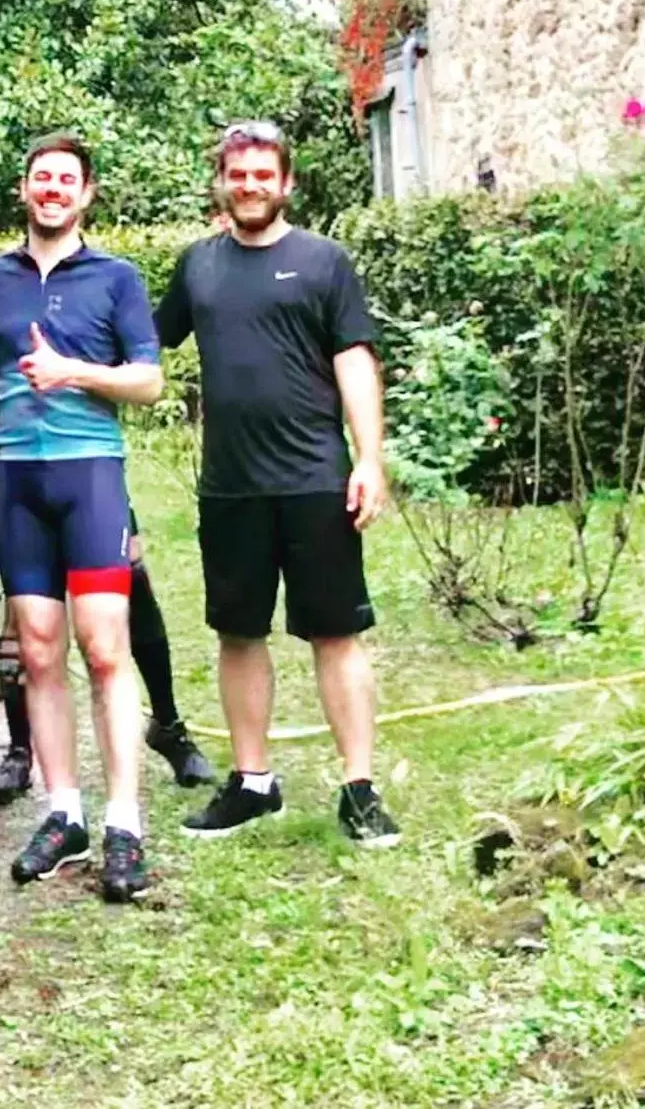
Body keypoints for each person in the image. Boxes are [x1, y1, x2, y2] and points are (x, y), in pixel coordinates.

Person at [0, 136, 166, 902]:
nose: (52, 190)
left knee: (105, 649)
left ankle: (125, 822)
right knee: (40, 652)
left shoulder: (116, 278)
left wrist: (74, 372)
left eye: (66, 180)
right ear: (24, 192)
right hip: (17, 480)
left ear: (85, 195)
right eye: (40, 179)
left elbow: (149, 381)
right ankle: (65, 813)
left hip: (89, 478)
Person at [0, 182, 213, 800]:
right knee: (23, 620)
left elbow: (142, 373)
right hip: (0, 466)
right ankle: (22, 751)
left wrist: (70, 374)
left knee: (128, 590)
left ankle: (170, 725)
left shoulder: (50, 282)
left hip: (82, 462)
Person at [155, 121, 401, 849]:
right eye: (238, 174)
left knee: (336, 632)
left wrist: (369, 458)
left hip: (314, 481)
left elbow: (354, 360)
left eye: (264, 174)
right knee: (238, 632)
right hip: (231, 486)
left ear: (286, 182)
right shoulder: (197, 266)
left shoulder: (324, 262)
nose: (251, 185)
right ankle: (252, 783)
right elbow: (141, 342)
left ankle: (359, 790)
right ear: (221, 182)